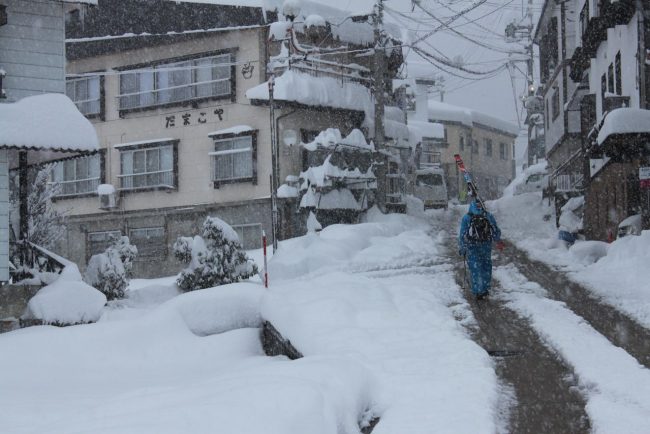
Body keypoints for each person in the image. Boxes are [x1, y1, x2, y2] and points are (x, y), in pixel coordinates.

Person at [458, 199, 504, 300]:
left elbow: (462, 234)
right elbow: (495, 230)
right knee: (486, 266)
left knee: (475, 268)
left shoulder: (467, 217)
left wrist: (462, 248)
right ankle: (485, 288)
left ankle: (478, 290)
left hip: (472, 247)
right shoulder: (488, 215)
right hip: (486, 246)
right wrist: (498, 240)